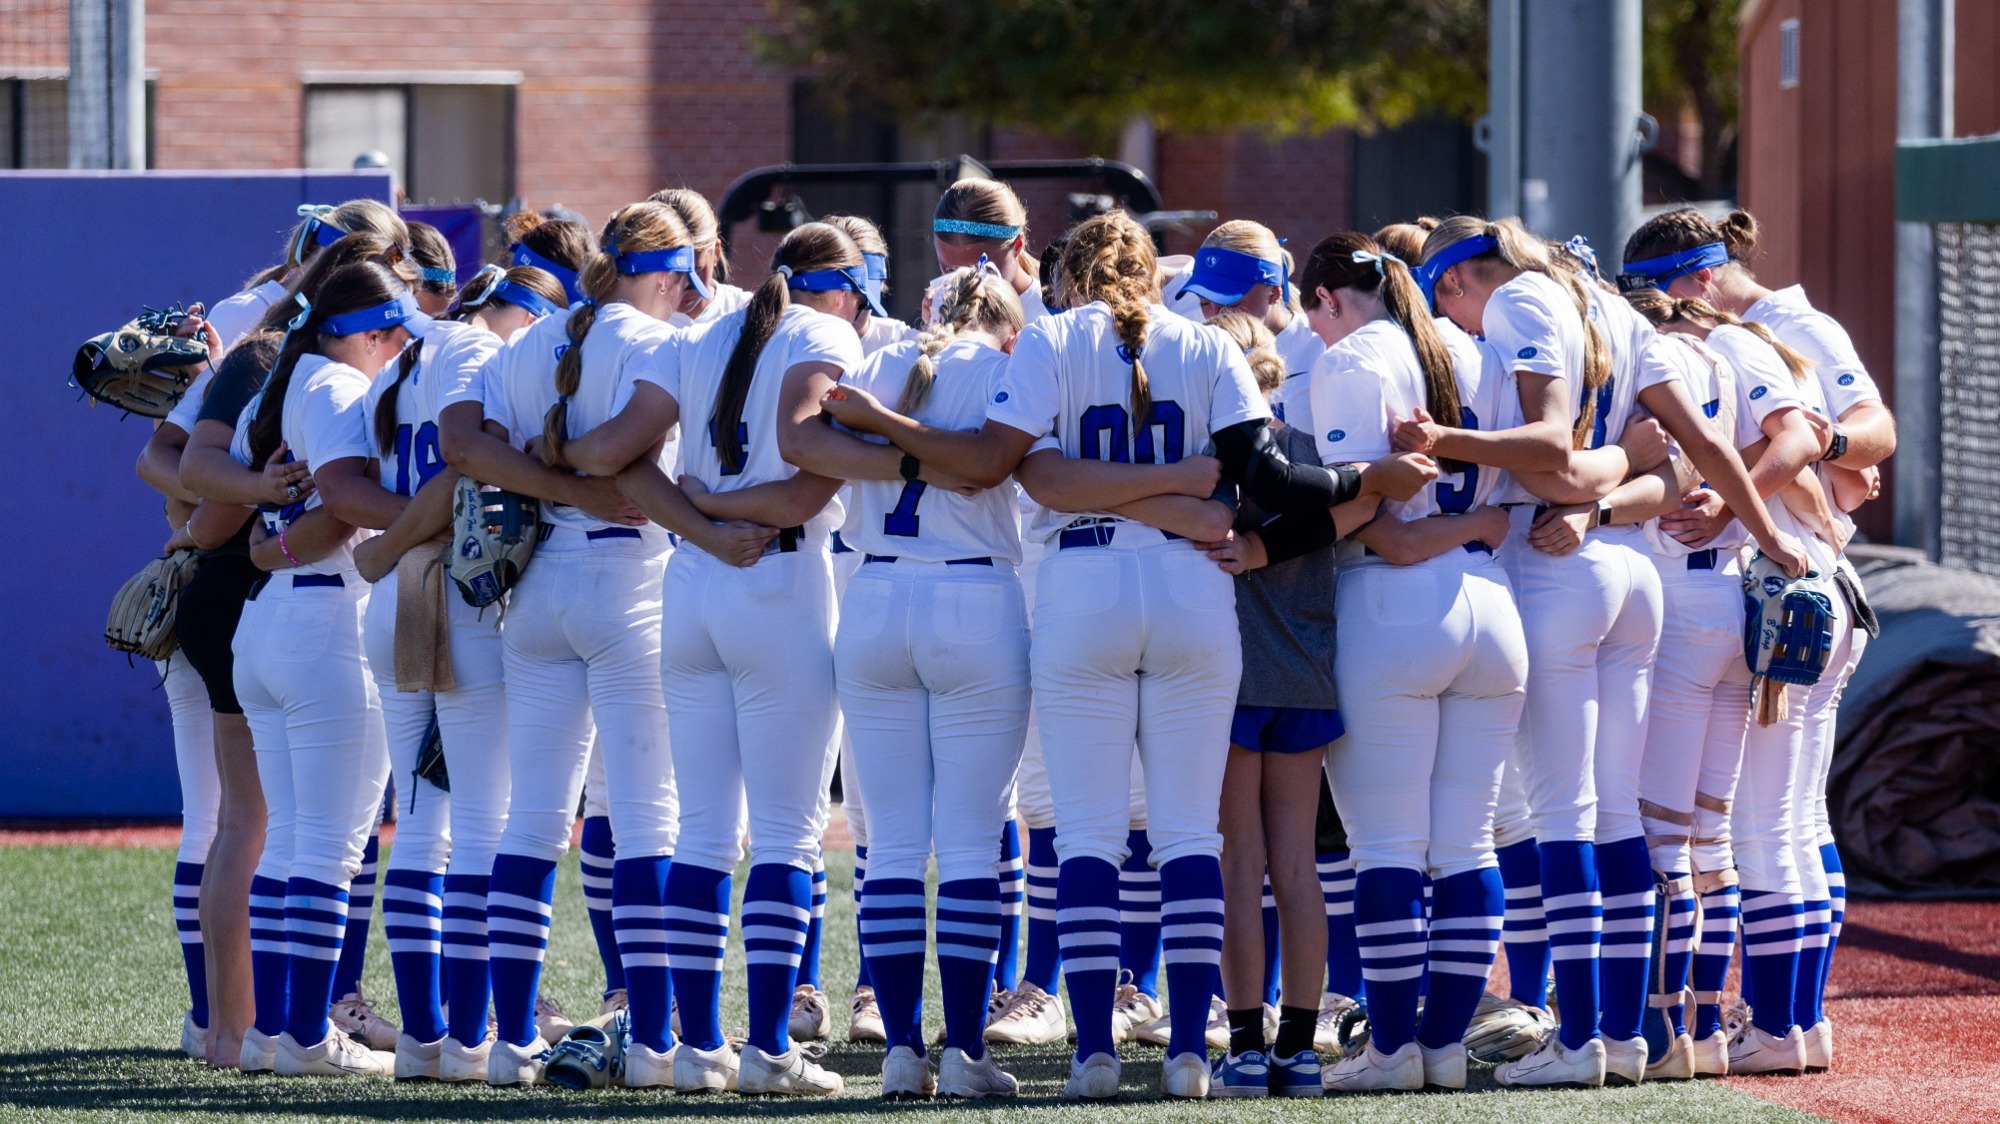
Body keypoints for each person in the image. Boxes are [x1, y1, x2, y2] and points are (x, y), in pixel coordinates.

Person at [818, 210, 1437, 1099]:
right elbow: (1260, 486)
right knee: (1189, 831)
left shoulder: (1052, 339)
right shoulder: (1204, 343)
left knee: (1089, 838)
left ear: (1069, 277)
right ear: (1152, 275)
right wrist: (1354, 484)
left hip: (1079, 589)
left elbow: (1043, 478)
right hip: (1188, 590)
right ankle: (1188, 1050)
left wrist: (1147, 497)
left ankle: (1094, 1055)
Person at [1406, 217, 1804, 1088]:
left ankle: (1584, 1037)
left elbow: (1549, 454)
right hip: (1633, 575)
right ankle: (1625, 1038)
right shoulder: (1612, 307)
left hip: (1553, 573)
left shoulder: (1516, 297)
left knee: (1562, 816)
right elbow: (1692, 454)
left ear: (1454, 282)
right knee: (1617, 813)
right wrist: (1768, 531)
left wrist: (1447, 444)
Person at [555, 221, 886, 1096]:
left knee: (702, 832)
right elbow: (809, 486)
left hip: (691, 588)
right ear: (844, 288)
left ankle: (696, 1045)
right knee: (786, 834)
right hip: (777, 583)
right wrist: (725, 516)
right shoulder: (825, 333)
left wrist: (701, 520)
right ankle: (767, 1047)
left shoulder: (698, 334)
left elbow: (622, 462)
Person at [1619, 208, 1890, 1075]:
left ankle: (1744, 1025)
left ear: (1684, 281)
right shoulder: (1751, 340)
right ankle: (1790, 1022)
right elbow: (1820, 458)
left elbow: (1838, 442)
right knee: (1781, 820)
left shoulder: (1765, 331)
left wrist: (1738, 499)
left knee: (1736, 826)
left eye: (1650, 290)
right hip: (1798, 582)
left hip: (1765, 587)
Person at [474, 202, 715, 1090]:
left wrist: (551, 478)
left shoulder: (535, 339)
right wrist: (580, 472)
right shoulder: (657, 340)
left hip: (540, 588)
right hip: (628, 587)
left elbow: (465, 444)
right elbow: (629, 439)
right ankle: (651, 1041)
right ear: (665, 272)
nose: (687, 295)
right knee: (649, 821)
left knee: (532, 819)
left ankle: (510, 1041)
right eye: (683, 279)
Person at [1298, 235, 1524, 1093]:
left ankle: (1392, 1050)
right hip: (1490, 604)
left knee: (1386, 847)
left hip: (1394, 606)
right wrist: (1472, 526)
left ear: (1324, 298)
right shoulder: (1469, 348)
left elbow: (1377, 525)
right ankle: (1439, 1049)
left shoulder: (1354, 356)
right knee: (1466, 845)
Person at [809, 262, 1031, 1097]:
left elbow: (816, 447)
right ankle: (964, 1051)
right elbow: (993, 468)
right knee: (973, 839)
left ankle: (903, 1049)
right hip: (972, 593)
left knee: (894, 841)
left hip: (871, 593)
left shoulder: (872, 365)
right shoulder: (1008, 367)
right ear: (1007, 322)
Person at [229, 260, 430, 1077]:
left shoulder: (279, 381)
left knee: (290, 846)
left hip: (272, 617)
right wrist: (435, 514)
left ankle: (273, 1032)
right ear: (366, 333)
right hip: (326, 626)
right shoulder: (341, 388)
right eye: (391, 337)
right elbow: (347, 500)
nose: (396, 353)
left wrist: (274, 542)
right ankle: (306, 1038)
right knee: (329, 852)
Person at [1191, 310, 1354, 1097]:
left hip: (1232, 678)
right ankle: (1300, 1045)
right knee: (1299, 865)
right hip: (1307, 673)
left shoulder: (1213, 461)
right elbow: (1361, 510)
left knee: (1240, 864)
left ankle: (1248, 1044)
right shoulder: (1314, 457)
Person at [1171, 221, 1324, 436]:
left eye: (1231, 302)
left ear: (1273, 293)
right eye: (1204, 302)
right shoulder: (1197, 343)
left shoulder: (1321, 347)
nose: (1216, 315)